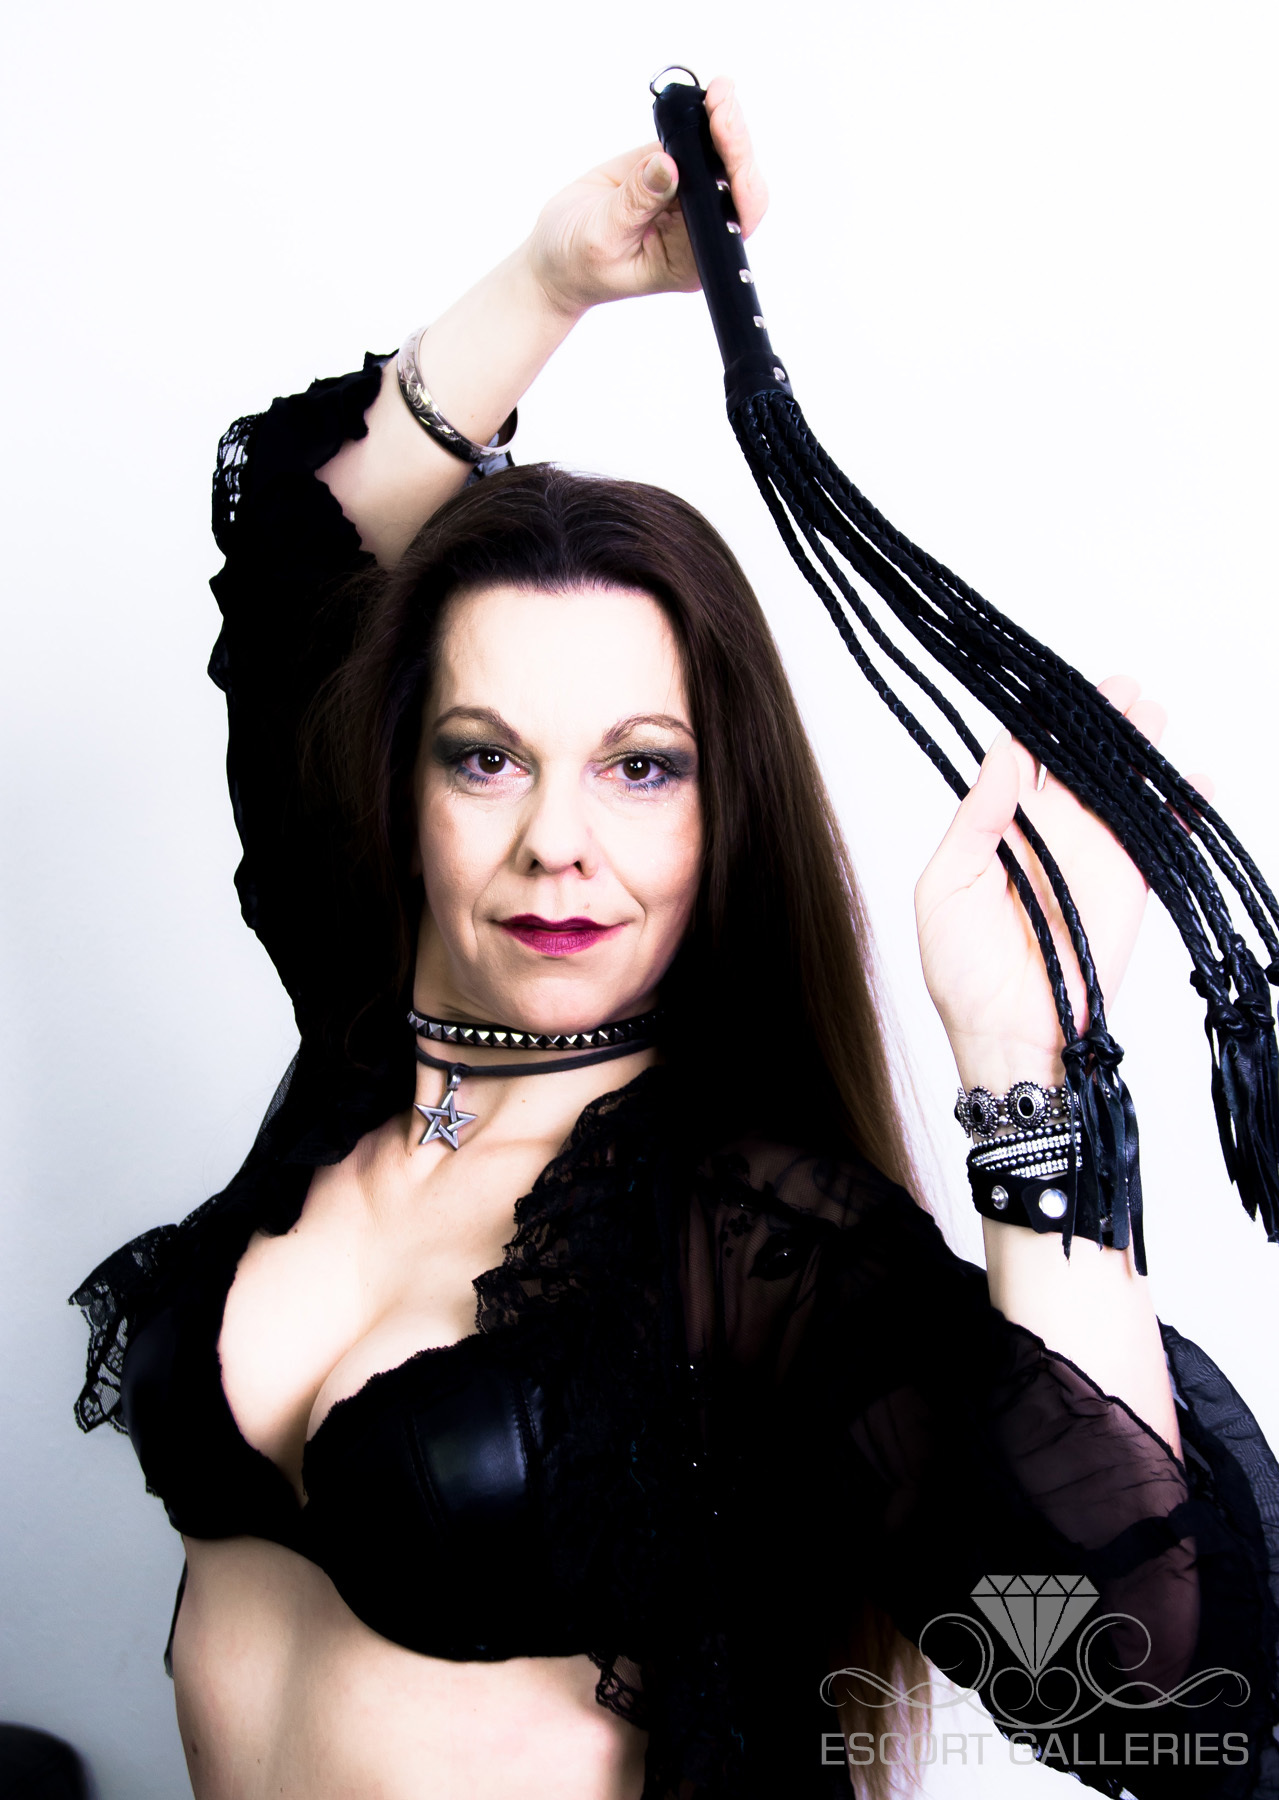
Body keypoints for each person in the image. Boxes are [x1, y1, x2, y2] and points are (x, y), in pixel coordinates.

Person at [70, 77, 1279, 1800]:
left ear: (727, 812)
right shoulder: (357, 1048)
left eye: (641, 768)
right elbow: (297, 537)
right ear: (400, 782)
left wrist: (1029, 1067)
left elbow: (1148, 1688)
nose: (557, 841)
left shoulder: (749, 1237)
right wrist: (550, 280)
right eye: (486, 757)